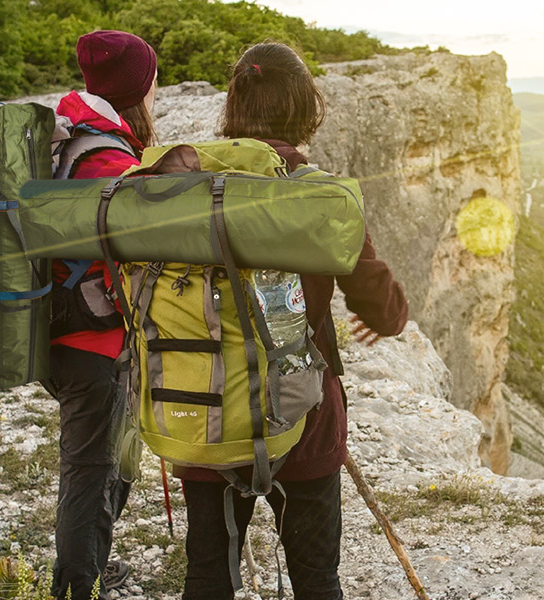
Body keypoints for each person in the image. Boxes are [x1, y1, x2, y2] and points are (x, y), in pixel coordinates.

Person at [174, 42, 410, 600]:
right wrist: (385, 317)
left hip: (205, 408)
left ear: (234, 104)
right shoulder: (318, 194)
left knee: (207, 575)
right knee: (315, 578)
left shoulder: (183, 185)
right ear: (306, 109)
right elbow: (383, 305)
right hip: (301, 417)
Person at [41, 29, 157, 600]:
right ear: (138, 89)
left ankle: (89, 564)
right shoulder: (109, 159)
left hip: (60, 329)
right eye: (153, 81)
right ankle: (77, 585)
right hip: (94, 344)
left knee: (108, 463)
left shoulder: (73, 137)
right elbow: (136, 262)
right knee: (90, 472)